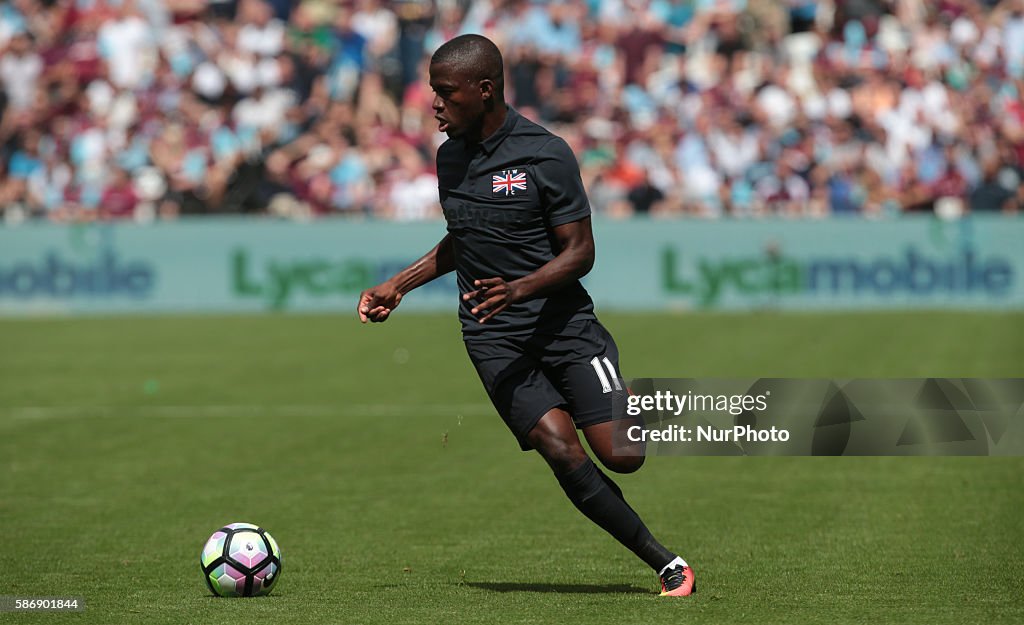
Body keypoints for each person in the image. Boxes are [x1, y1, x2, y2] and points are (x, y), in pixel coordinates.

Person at [357, 34, 695, 597]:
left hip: (564, 326)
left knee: (625, 455)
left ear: (484, 89)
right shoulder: (449, 158)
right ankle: (666, 563)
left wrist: (520, 289)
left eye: (445, 93)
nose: (433, 105)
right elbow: (464, 238)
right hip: (493, 336)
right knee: (561, 449)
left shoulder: (546, 154)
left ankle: (619, 395)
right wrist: (401, 284)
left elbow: (581, 252)